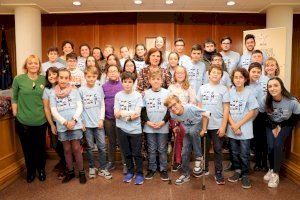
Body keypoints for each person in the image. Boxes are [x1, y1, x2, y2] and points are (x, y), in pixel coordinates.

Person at [12, 55, 48, 183]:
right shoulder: (18, 79)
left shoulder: (44, 80)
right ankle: (31, 171)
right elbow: (14, 97)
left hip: (40, 120)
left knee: (40, 148)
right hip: (23, 121)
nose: (33, 65)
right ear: (26, 65)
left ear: (39, 66)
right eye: (30, 63)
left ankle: (41, 170)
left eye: (36, 63)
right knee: (27, 149)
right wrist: (16, 113)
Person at [49, 68, 86, 184]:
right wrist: (65, 122)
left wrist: (74, 120)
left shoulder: (75, 91)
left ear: (69, 79)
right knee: (66, 149)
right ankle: (70, 172)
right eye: (61, 77)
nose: (63, 80)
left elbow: (80, 106)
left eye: (66, 78)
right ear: (57, 78)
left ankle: (81, 172)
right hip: (62, 125)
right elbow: (53, 111)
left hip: (74, 123)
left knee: (76, 148)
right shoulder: (52, 93)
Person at [262, 77, 300, 188]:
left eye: (276, 85)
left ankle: (275, 173)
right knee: (270, 146)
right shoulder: (265, 100)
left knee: (278, 144)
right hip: (271, 124)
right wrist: (273, 126)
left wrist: (280, 126)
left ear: (281, 86)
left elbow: (296, 117)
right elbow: (263, 116)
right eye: (270, 86)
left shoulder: (292, 101)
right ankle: (271, 168)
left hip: (285, 124)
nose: (273, 88)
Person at [164, 95, 208, 185]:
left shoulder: (190, 108)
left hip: (197, 123)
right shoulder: (172, 113)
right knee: (184, 151)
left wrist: (204, 129)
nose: (173, 108)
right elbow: (178, 119)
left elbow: (206, 114)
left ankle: (199, 157)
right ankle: (185, 174)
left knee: (192, 131)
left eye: (174, 104)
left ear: (180, 102)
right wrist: (176, 126)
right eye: (170, 107)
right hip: (187, 126)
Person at [197, 64, 230, 185]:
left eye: (218, 73)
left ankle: (218, 173)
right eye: (213, 72)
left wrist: (223, 126)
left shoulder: (224, 89)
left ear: (221, 75)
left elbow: (226, 108)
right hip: (204, 125)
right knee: (204, 149)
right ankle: (204, 168)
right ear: (209, 74)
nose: (215, 74)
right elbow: (199, 106)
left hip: (218, 125)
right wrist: (200, 125)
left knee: (218, 150)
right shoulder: (202, 88)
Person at [227, 68, 258, 189]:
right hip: (232, 127)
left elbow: (252, 112)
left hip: (244, 128)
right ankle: (238, 171)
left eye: (241, 77)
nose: (238, 79)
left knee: (244, 153)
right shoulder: (229, 92)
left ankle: (245, 174)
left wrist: (238, 124)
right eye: (236, 77)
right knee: (234, 152)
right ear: (233, 79)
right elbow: (226, 110)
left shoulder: (249, 93)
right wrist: (233, 125)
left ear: (245, 79)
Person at [79, 66, 112, 180]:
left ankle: (102, 168)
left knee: (102, 146)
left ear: (97, 76)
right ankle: (92, 167)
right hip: (86, 124)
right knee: (89, 147)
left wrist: (101, 119)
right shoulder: (81, 90)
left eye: (93, 76)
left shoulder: (99, 88)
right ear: (85, 76)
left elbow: (102, 105)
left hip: (98, 123)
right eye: (89, 76)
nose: (91, 79)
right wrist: (81, 122)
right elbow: (79, 107)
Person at [115, 72, 144, 185]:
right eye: (125, 82)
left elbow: (137, 113)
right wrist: (128, 114)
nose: (127, 84)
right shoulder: (118, 95)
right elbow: (116, 114)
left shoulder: (137, 95)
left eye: (130, 82)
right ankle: (130, 172)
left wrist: (122, 113)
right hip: (121, 128)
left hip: (135, 130)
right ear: (122, 82)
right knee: (126, 152)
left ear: (133, 83)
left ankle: (140, 173)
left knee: (136, 153)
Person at [142, 69, 170, 181]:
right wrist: (147, 121)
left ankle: (163, 169)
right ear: (149, 80)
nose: (156, 81)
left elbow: (170, 110)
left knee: (162, 149)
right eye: (153, 79)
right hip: (149, 127)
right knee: (152, 149)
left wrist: (163, 121)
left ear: (162, 80)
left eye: (158, 79)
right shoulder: (146, 94)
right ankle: (152, 168)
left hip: (163, 126)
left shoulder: (167, 93)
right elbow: (143, 110)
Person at [168, 66, 196, 171]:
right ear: (174, 75)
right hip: (174, 116)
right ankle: (178, 160)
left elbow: (193, 102)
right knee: (177, 138)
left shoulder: (189, 87)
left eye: (182, 73)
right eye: (177, 73)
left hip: (186, 117)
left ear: (185, 75)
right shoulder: (171, 87)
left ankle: (185, 160)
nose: (180, 75)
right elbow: (169, 103)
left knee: (186, 139)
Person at [42, 67, 66, 179]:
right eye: (49, 75)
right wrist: (51, 124)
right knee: (56, 144)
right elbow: (46, 108)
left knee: (65, 144)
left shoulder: (64, 86)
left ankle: (65, 165)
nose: (51, 76)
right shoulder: (47, 90)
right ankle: (63, 160)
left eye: (54, 74)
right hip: (54, 121)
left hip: (65, 121)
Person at [102, 65, 126, 173]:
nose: (112, 73)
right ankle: (111, 162)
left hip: (121, 119)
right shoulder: (103, 87)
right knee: (111, 141)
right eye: (110, 71)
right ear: (107, 74)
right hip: (108, 119)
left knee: (122, 141)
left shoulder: (123, 85)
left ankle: (126, 163)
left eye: (115, 71)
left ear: (119, 73)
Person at [248, 62, 268, 172]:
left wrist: (254, 116)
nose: (256, 74)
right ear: (249, 72)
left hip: (257, 116)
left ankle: (261, 163)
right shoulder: (244, 84)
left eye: (259, 72)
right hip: (244, 116)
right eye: (254, 72)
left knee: (259, 140)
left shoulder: (259, 87)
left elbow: (260, 105)